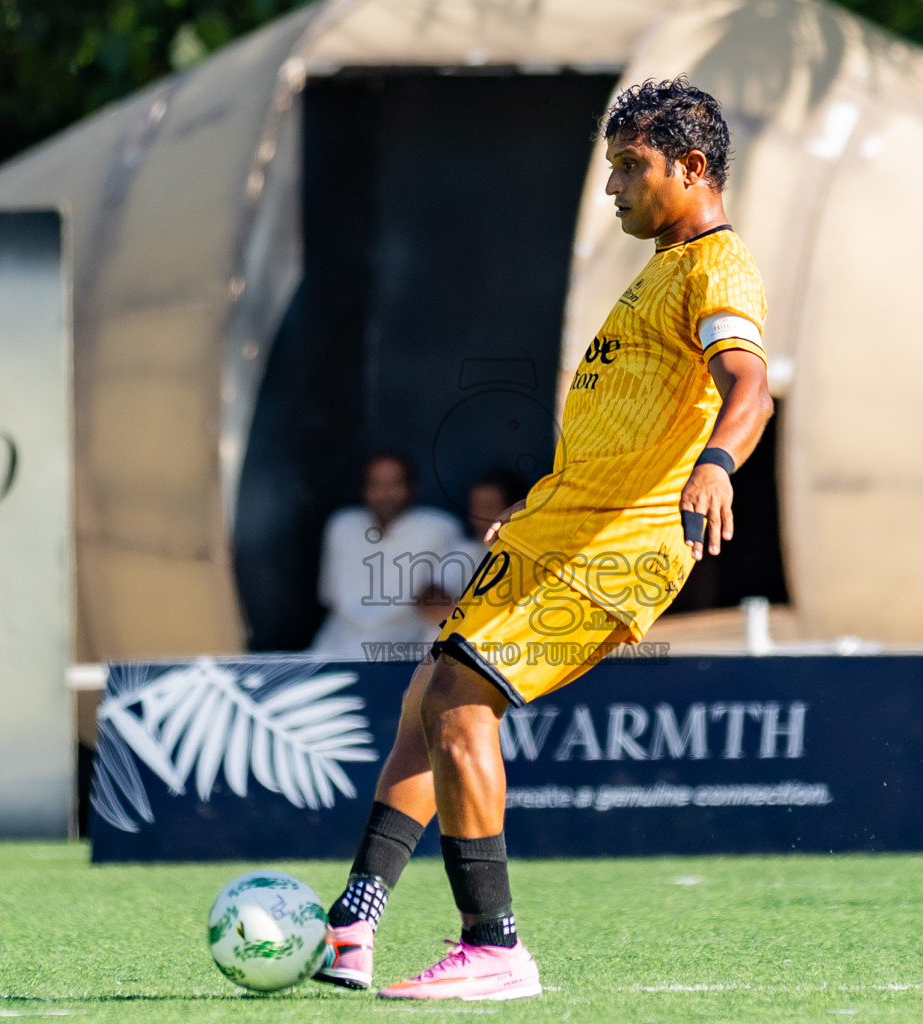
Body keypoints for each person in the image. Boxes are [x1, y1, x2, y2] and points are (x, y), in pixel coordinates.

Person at [311, 77, 772, 1001]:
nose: (613, 187)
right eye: (612, 167)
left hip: (615, 549)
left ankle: (494, 947)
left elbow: (749, 386)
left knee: (459, 702)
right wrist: (540, 505)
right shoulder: (662, 268)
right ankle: (353, 923)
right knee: (427, 701)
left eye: (630, 167)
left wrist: (718, 464)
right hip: (553, 532)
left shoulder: (718, 269)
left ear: (692, 167)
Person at [310, 453, 463, 659]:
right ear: (363, 490)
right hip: (335, 650)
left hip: (401, 655)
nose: (385, 493)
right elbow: (330, 598)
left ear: (414, 488)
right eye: (376, 485)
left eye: (395, 484)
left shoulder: (439, 528)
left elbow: (442, 608)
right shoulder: (342, 526)